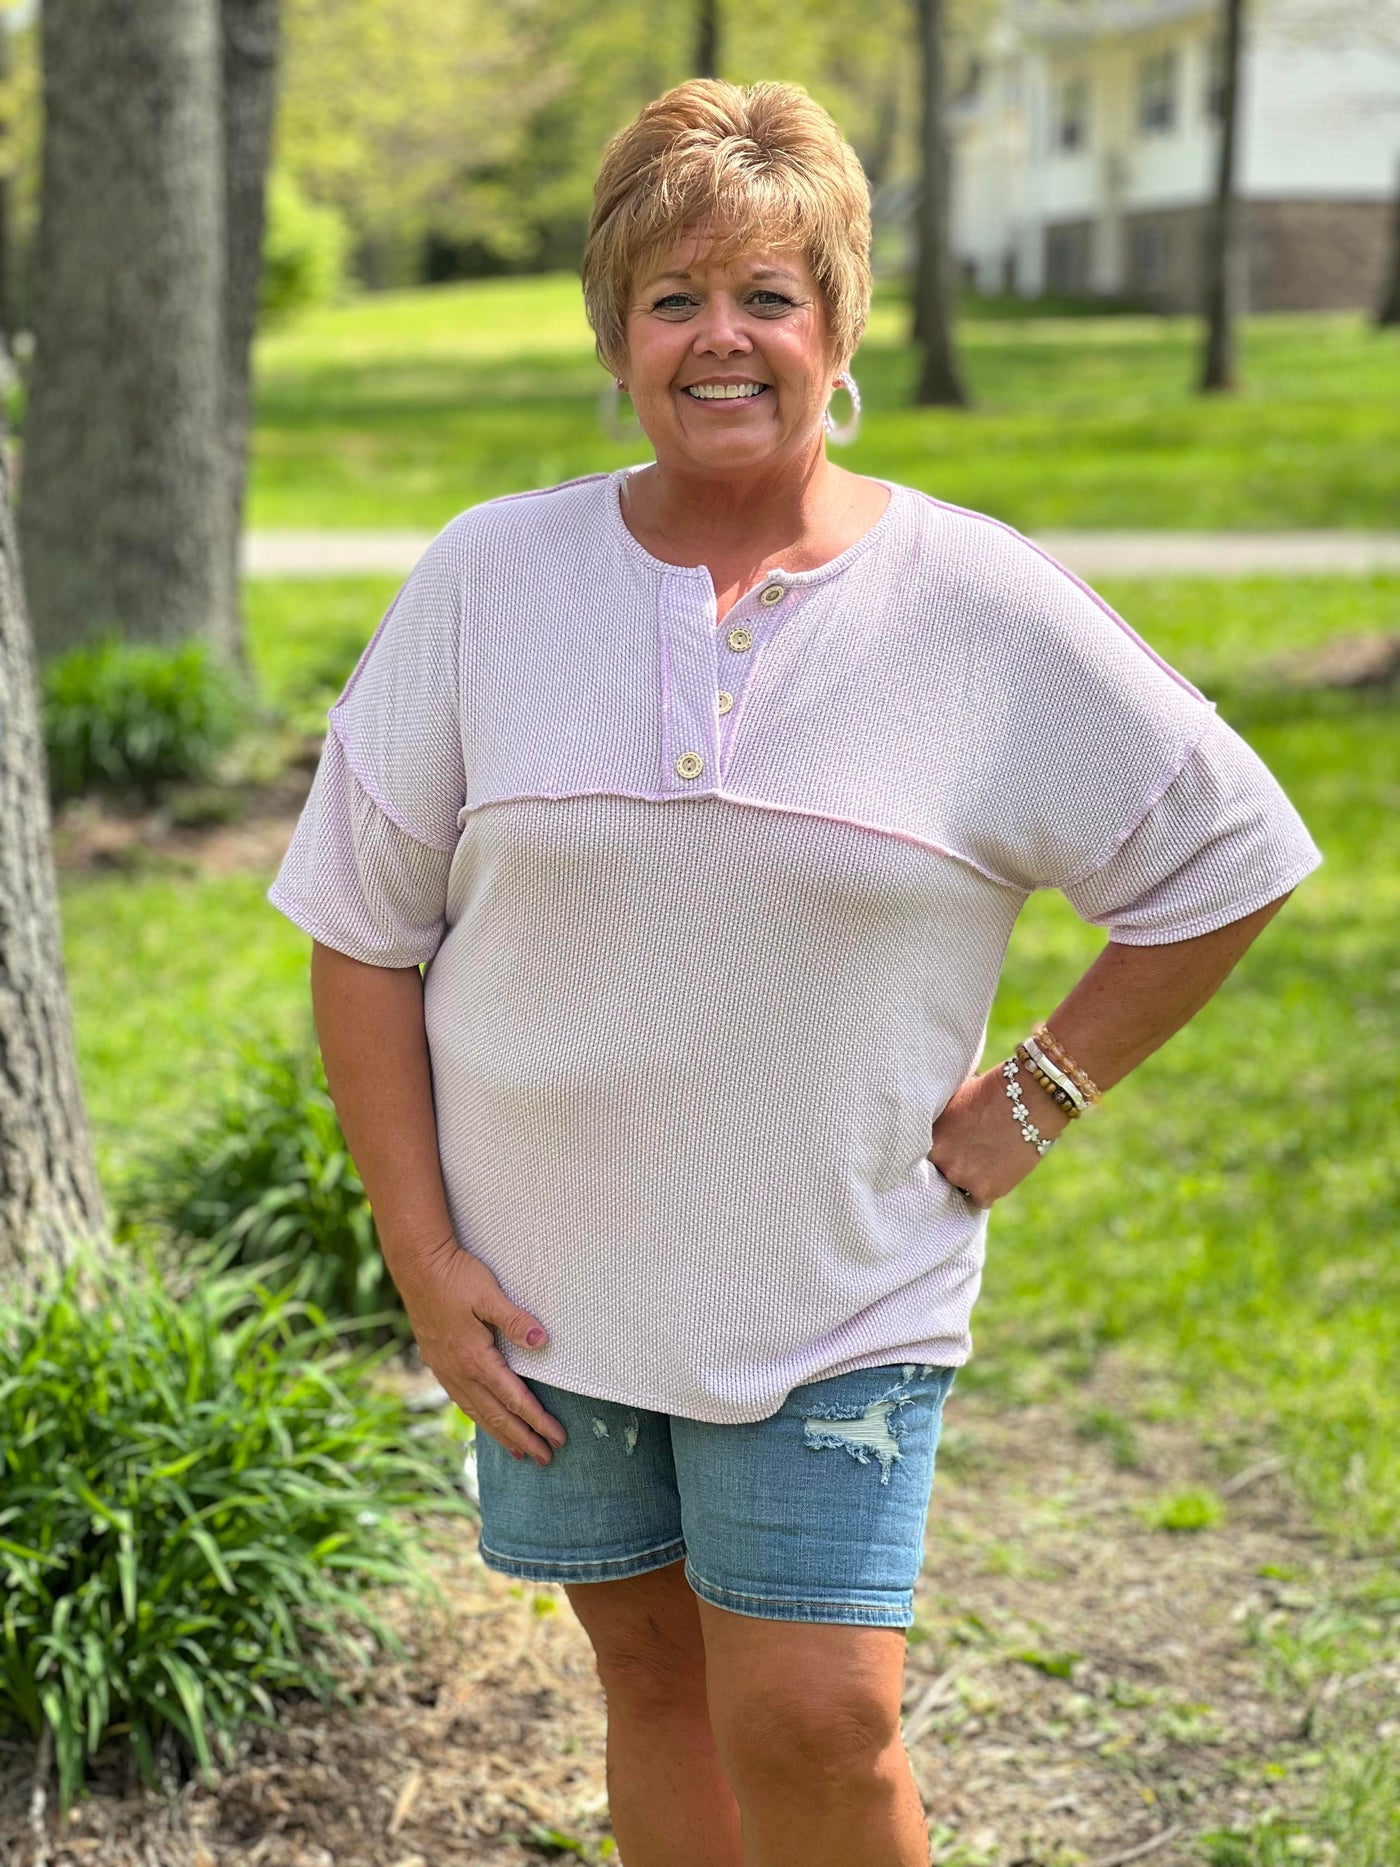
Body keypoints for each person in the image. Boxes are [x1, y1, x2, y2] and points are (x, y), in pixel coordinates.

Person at [267, 77, 1322, 1867]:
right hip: (548, 1290)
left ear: (838, 334)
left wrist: (1039, 1096)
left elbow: (1229, 853)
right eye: (674, 299)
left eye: (769, 294)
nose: (722, 338)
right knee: (656, 1680)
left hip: (837, 1282)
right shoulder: (486, 580)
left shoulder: (972, 605)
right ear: (616, 338)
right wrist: (421, 1252)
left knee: (819, 1723)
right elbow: (363, 933)